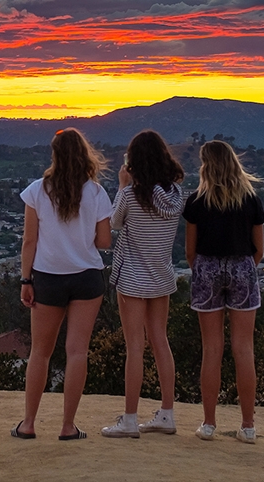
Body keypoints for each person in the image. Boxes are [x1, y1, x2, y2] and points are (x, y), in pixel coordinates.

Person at [13, 128, 112, 441]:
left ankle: (28, 424)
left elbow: (29, 240)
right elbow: (105, 241)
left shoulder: (37, 191)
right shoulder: (96, 193)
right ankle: (68, 427)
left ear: (54, 155)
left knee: (40, 353)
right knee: (77, 352)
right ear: (85, 154)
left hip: (47, 277)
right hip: (86, 278)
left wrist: (25, 279)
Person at [100, 130, 184, 438]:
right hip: (161, 275)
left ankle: (131, 418)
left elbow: (114, 223)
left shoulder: (130, 195)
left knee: (135, 346)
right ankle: (167, 413)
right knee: (160, 341)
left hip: (133, 277)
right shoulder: (177, 196)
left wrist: (122, 185)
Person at [182, 140, 264, 444]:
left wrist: (207, 269)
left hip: (207, 269)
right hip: (243, 268)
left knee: (211, 349)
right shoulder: (251, 200)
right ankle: (247, 426)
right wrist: (241, 266)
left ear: (206, 165)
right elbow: (259, 250)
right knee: (244, 349)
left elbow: (190, 252)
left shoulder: (196, 202)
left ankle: (209, 423)